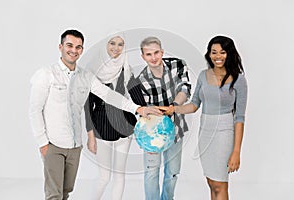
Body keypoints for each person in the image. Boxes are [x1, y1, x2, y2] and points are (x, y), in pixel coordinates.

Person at [29, 29, 161, 200]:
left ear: (82, 50)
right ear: (60, 47)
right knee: (54, 194)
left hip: (75, 145)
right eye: (69, 45)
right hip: (54, 143)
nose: (73, 50)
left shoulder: (86, 76)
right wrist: (43, 143)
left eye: (78, 47)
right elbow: (34, 110)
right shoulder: (46, 74)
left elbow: (109, 95)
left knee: (66, 191)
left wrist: (138, 109)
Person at [159, 35, 248, 200]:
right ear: (209, 54)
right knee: (211, 182)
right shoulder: (203, 75)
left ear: (230, 54)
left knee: (220, 183)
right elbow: (194, 105)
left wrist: (236, 151)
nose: (218, 56)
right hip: (205, 132)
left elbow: (240, 118)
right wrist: (174, 109)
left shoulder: (238, 80)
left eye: (222, 52)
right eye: (214, 52)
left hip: (224, 132)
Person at [84, 33, 145, 200]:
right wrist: (90, 135)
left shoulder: (125, 67)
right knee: (104, 177)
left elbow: (136, 94)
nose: (116, 48)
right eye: (112, 43)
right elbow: (87, 106)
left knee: (120, 174)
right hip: (101, 126)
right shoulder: (92, 70)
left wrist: (148, 114)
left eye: (120, 44)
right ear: (105, 44)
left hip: (124, 125)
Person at [136, 36, 191, 200]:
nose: (153, 58)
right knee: (151, 172)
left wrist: (174, 106)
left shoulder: (178, 65)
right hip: (152, 134)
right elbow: (143, 110)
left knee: (172, 172)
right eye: (148, 54)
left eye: (156, 53)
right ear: (143, 56)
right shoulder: (140, 80)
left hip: (176, 128)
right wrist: (153, 112)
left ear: (162, 52)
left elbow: (185, 88)